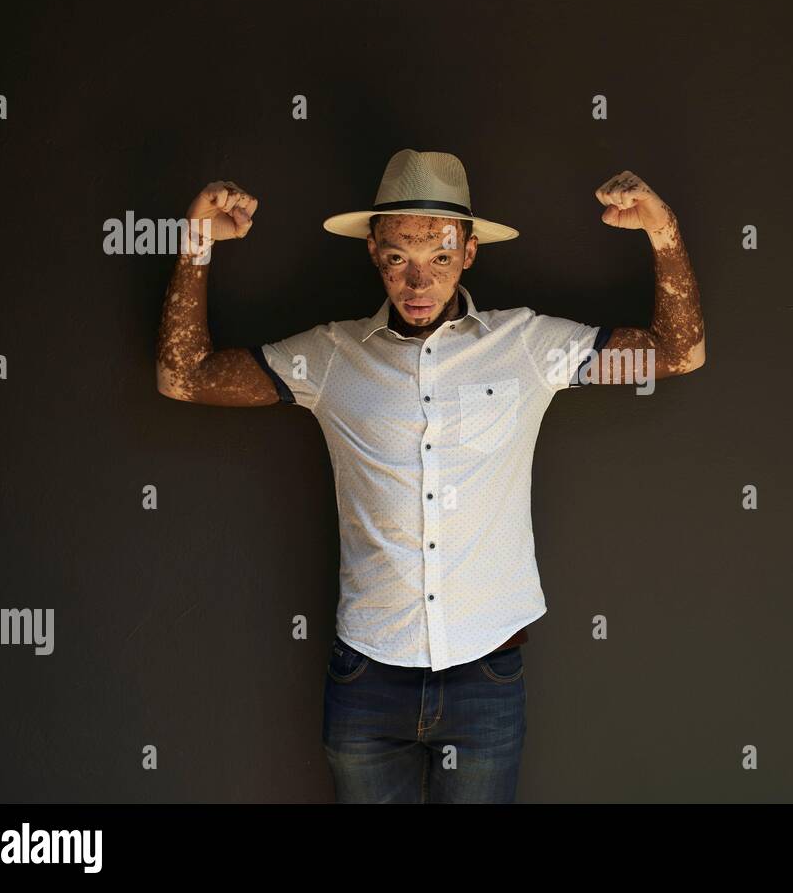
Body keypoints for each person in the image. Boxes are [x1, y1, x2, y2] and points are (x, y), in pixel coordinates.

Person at [155, 149, 706, 802]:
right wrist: (195, 242)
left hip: (486, 683)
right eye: (397, 258)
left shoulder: (529, 348)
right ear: (372, 249)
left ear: (469, 253)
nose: (418, 282)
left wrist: (662, 230)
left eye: (440, 256)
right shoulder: (330, 358)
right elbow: (183, 376)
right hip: (365, 682)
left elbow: (678, 352)